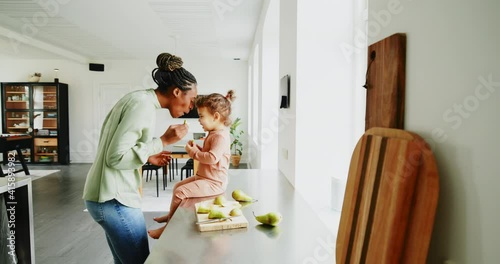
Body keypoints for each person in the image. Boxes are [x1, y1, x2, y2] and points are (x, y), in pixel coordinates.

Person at [82, 52, 198, 264]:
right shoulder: (142, 105)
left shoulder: (139, 99)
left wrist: (148, 158)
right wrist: (162, 140)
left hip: (105, 196)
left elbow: (119, 149)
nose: (191, 107)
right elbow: (115, 158)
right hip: (113, 199)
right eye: (191, 100)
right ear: (176, 92)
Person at [147, 90, 235, 239]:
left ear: (216, 116)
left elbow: (212, 158)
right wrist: (199, 149)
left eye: (201, 116)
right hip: (204, 178)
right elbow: (211, 155)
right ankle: (171, 216)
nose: (199, 120)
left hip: (214, 183)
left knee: (180, 192)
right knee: (177, 187)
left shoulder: (220, 136)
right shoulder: (214, 134)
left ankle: (169, 228)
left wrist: (193, 152)